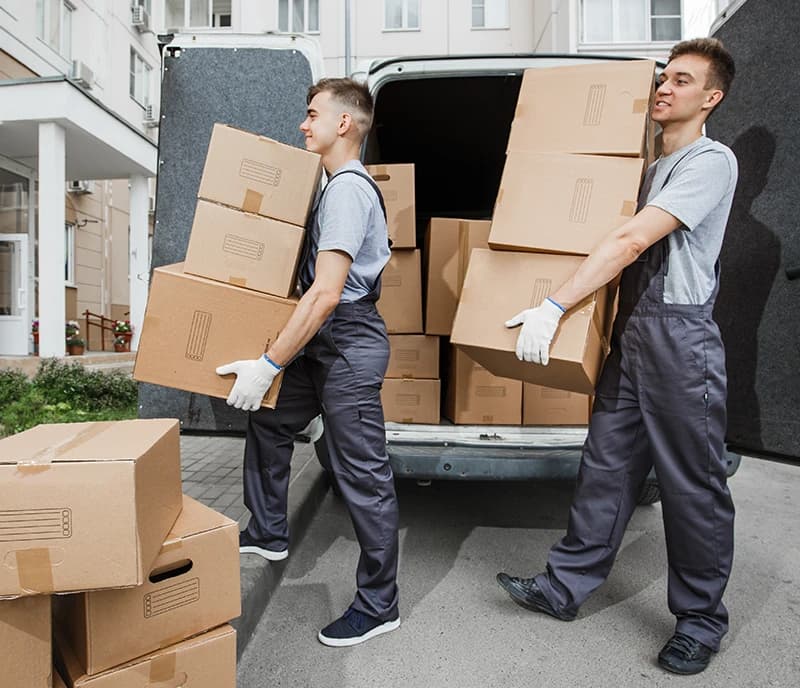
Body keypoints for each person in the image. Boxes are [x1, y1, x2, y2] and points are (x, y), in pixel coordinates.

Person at [497, 38, 738, 675]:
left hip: (679, 337)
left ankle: (700, 621)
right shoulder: (642, 169)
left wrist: (555, 307)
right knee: (606, 465)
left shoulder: (710, 162)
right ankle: (564, 587)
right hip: (633, 332)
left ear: (710, 98)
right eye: (663, 77)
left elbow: (632, 238)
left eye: (682, 81)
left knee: (692, 483)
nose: (664, 87)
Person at [215, 78, 400, 648]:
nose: (303, 123)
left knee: (362, 473)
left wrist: (270, 362)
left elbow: (324, 294)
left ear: (344, 123)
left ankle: (378, 604)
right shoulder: (328, 185)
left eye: (313, 114)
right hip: (323, 337)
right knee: (270, 422)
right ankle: (269, 531)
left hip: (344, 339)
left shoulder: (347, 189)